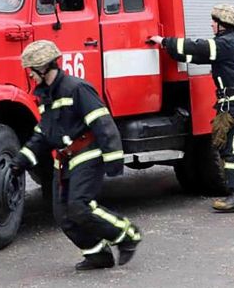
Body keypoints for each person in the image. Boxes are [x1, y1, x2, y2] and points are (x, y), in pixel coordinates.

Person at [10, 40, 141, 270]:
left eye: (31, 70)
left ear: (43, 68)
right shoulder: (45, 95)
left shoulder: (76, 88)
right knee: (63, 216)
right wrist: (21, 161)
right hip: (64, 160)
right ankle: (97, 254)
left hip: (88, 154)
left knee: (79, 206)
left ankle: (126, 234)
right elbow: (43, 133)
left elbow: (103, 122)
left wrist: (113, 159)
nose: (29, 75)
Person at [149, 4, 234, 212]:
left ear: (222, 25)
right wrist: (173, 51)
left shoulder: (225, 43)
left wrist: (164, 41)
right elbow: (197, 55)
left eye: (214, 22)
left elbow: (197, 47)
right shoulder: (226, 42)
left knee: (231, 148)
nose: (211, 24)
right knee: (233, 147)